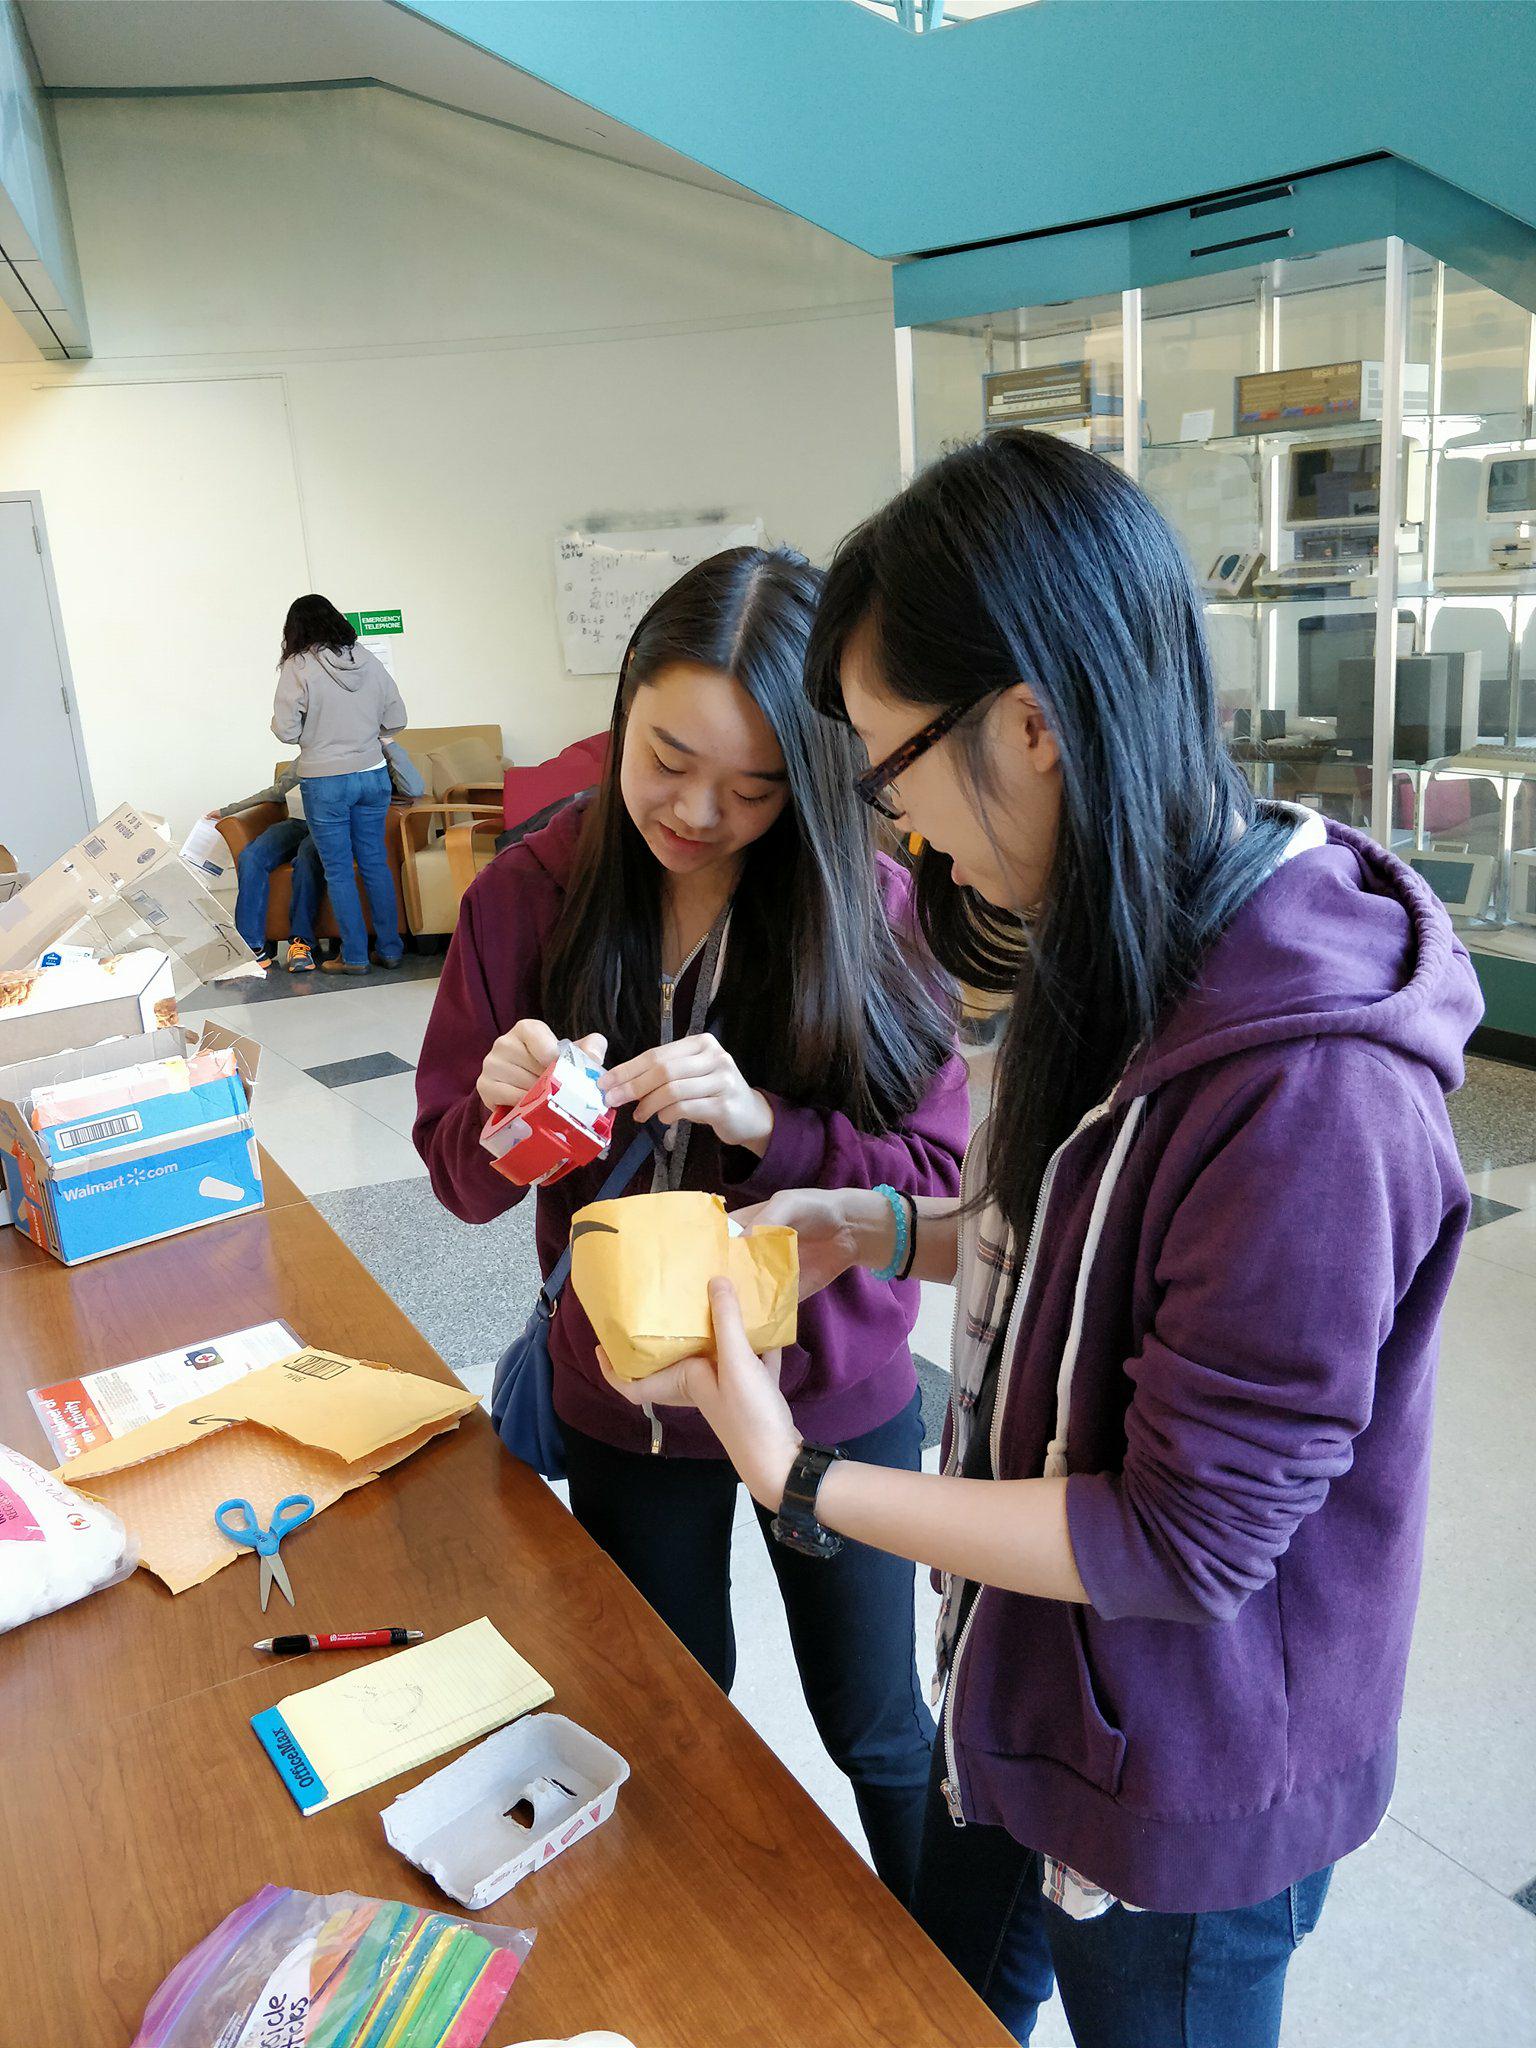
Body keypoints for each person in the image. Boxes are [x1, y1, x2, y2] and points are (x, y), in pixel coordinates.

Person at [596, 434, 1483, 2047]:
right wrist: (874, 1221)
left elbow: (1183, 1541)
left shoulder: (1310, 1088)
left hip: (1180, 1777)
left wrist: (796, 1472)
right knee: (935, 1992)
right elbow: (1084, 1237)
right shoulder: (1148, 926)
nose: (895, 824)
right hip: (1038, 1699)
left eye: (887, 765)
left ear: (1029, 722)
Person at [414, 548, 969, 1901]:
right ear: (621, 712)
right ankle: (693, 1971)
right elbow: (463, 1181)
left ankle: (955, 2000)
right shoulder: (528, 897)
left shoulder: (870, 907)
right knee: (666, 1707)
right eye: (665, 758)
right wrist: (505, 1119)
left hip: (825, 1387)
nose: (698, 813)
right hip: (623, 1398)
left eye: (754, 787)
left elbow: (937, 1173)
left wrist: (768, 1125)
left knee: (878, 1726)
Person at [271, 594, 407, 974]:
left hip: (325, 781)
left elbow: (285, 730)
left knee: (339, 870)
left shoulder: (298, 666)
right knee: (375, 862)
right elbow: (396, 719)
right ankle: (392, 950)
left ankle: (355, 956)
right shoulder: (367, 658)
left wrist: (315, 733)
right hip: (372, 775)